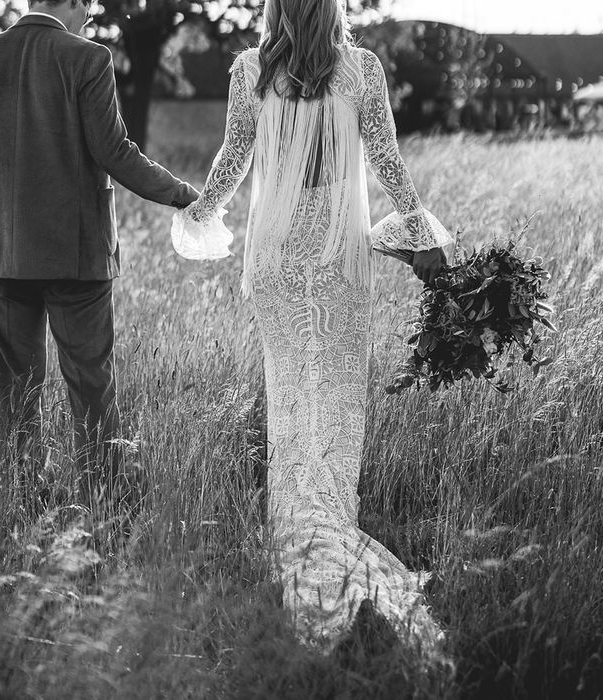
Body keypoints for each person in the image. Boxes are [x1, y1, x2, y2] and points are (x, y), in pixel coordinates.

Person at [171, 0, 453, 649]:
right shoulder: (363, 69)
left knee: (291, 399)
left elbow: (232, 161)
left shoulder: (251, 70)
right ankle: (329, 523)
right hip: (335, 259)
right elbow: (385, 160)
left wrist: (199, 215)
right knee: (333, 403)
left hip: (273, 259)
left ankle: (297, 533)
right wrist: (421, 230)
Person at [0, 0, 198, 513]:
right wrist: (183, 195)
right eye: (88, 5)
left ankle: (18, 510)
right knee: (91, 391)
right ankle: (102, 510)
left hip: (0, 256)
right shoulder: (88, 59)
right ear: (72, 2)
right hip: (76, 258)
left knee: (15, 394)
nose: (91, 14)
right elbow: (115, 151)